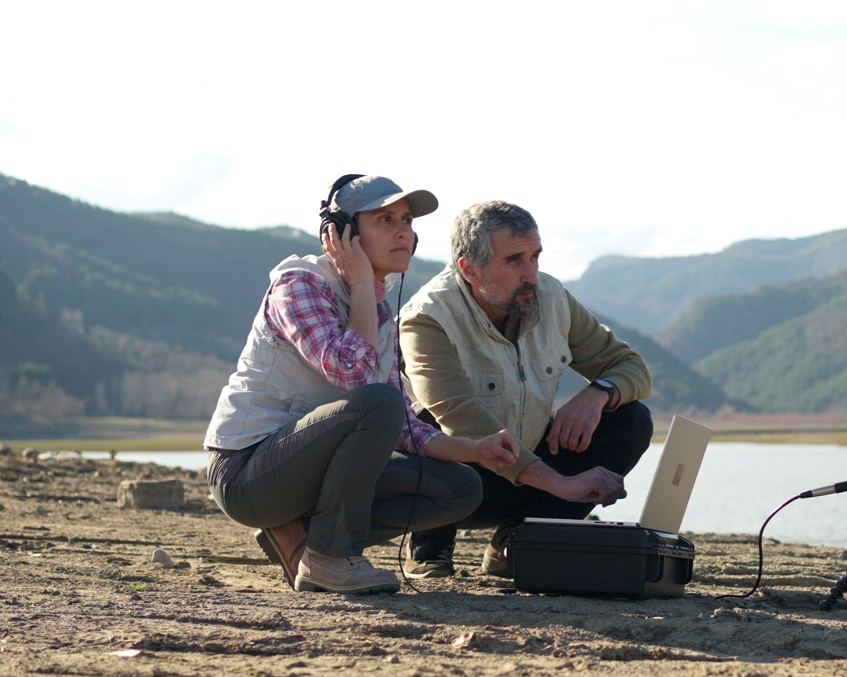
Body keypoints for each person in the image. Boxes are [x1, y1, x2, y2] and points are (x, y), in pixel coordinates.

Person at [203, 176, 519, 595]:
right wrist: (360, 283)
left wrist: (473, 449)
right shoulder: (299, 285)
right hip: (248, 474)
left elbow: (402, 424)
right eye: (385, 219)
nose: (404, 231)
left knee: (461, 488)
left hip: (304, 472)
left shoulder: (378, 311)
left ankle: (310, 541)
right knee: (376, 400)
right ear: (340, 233)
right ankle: (331, 559)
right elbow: (353, 376)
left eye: (406, 220)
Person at [398, 200, 653, 579]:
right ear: (469, 268)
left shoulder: (551, 297)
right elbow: (462, 420)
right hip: (459, 482)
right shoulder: (427, 318)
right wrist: (562, 484)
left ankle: (519, 541)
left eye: (535, 257)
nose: (531, 274)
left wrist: (595, 394)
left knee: (631, 418)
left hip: (530, 467)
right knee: (431, 422)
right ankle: (430, 546)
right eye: (515, 260)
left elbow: (633, 368)